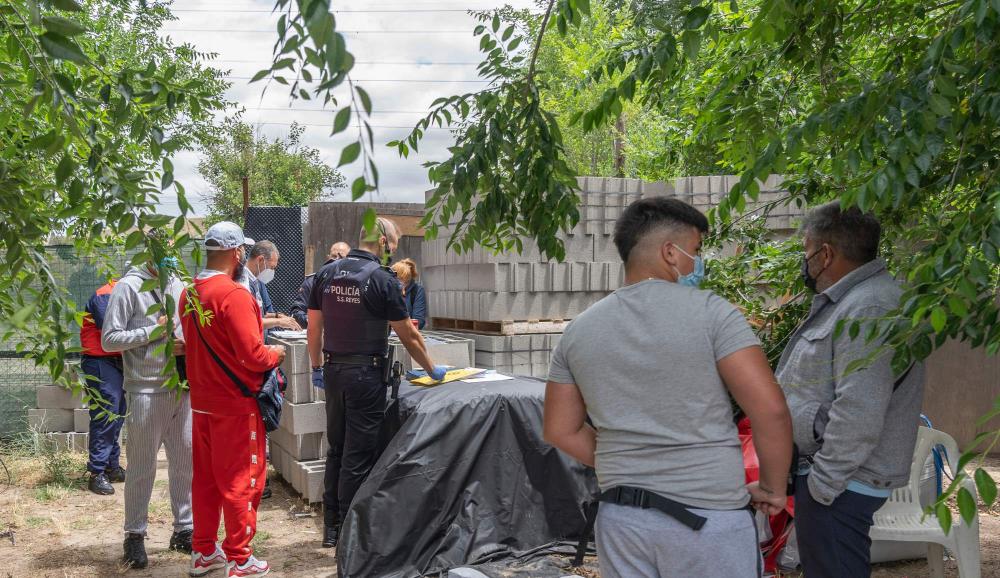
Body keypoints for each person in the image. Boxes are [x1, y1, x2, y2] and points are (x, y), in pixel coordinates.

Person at [543, 197, 793, 578]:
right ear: (670, 252)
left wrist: (631, 464)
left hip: (622, 522)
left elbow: (559, 429)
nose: (699, 262)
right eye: (696, 250)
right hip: (707, 520)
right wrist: (774, 489)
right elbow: (769, 410)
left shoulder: (579, 331)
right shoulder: (713, 314)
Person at [776, 202, 925, 578]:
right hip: (837, 478)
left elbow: (860, 409)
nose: (804, 262)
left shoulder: (870, 306)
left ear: (825, 254)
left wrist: (822, 487)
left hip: (841, 483)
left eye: (806, 251)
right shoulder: (854, 300)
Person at [306, 218, 446, 548]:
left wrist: (316, 366)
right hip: (366, 376)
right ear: (382, 242)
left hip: (333, 371)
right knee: (358, 455)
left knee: (336, 450)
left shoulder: (325, 274)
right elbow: (409, 335)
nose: (393, 250)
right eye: (393, 244)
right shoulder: (382, 280)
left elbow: (314, 329)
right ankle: (352, 534)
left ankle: (331, 527)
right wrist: (431, 368)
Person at [182, 221, 286, 578]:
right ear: (237, 252)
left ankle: (204, 552)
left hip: (202, 403)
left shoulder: (189, 293)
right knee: (243, 481)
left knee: (207, 481)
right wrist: (276, 355)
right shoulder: (234, 295)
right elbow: (253, 356)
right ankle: (240, 559)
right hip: (236, 406)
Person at [101, 240, 192, 570]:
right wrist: (155, 331)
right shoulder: (129, 287)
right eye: (162, 252)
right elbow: (109, 338)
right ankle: (134, 536)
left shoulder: (178, 283)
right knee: (142, 467)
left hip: (181, 387)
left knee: (185, 461)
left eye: (171, 250)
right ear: (146, 254)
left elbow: (186, 326)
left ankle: (185, 530)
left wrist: (186, 343)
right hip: (145, 390)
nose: (169, 257)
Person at [79, 279, 127, 496]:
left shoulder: (121, 292)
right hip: (100, 360)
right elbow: (110, 330)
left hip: (118, 361)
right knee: (105, 415)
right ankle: (97, 472)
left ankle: (111, 466)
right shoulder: (105, 295)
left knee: (117, 415)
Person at [243, 240, 300, 332]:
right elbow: (249, 322)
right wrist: (278, 322)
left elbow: (261, 314)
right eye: (271, 267)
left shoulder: (256, 281)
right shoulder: (243, 283)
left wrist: (278, 316)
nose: (272, 272)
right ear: (260, 260)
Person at [290, 241, 350, 329]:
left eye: (341, 257)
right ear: (328, 257)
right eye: (334, 256)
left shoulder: (355, 283)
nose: (336, 260)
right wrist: (314, 321)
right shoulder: (312, 282)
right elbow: (297, 312)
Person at [390, 258, 427, 329]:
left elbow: (419, 320)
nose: (401, 284)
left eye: (406, 281)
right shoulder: (387, 288)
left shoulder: (417, 290)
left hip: (408, 330)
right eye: (398, 280)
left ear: (410, 278)